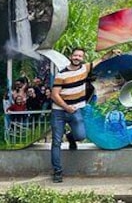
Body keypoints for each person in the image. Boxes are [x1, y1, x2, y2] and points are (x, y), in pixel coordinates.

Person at [49, 47, 117, 183]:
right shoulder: (61, 74)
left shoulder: (85, 69)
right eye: (75, 55)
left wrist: (111, 53)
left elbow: (101, 59)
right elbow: (54, 95)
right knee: (56, 142)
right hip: (59, 111)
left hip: (76, 111)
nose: (77, 58)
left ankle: (70, 137)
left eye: (80, 56)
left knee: (81, 136)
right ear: (70, 56)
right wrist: (66, 107)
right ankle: (57, 171)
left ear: (83, 58)